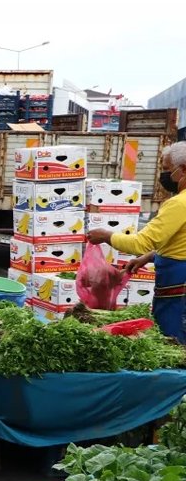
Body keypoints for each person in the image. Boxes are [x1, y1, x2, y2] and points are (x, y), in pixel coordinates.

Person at [88, 142, 186, 341]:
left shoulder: (178, 204)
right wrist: (147, 258)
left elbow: (139, 243)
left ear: (183, 169)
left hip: (178, 283)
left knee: (173, 337)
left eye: (167, 169)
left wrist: (106, 236)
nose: (164, 175)